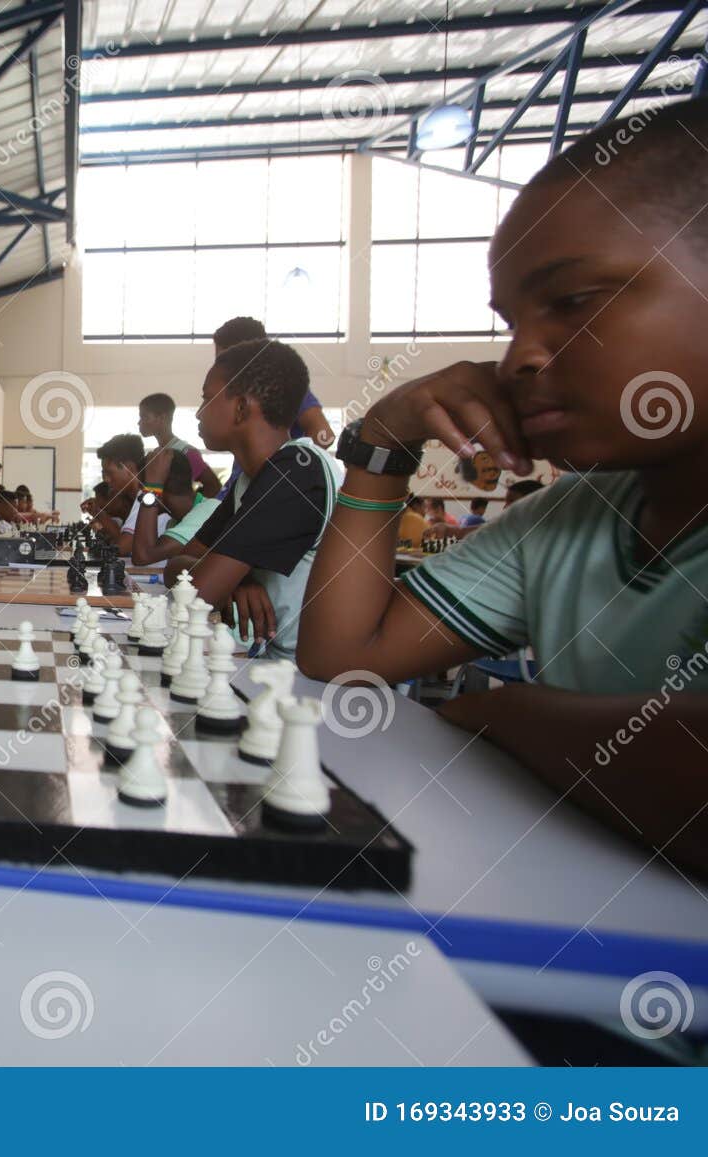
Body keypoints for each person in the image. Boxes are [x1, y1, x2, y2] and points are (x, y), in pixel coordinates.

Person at [297, 99, 708, 876]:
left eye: (572, 302)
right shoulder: (572, 520)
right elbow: (342, 655)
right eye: (512, 320)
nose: (519, 357)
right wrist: (382, 441)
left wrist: (500, 712)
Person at [161, 339, 336, 658]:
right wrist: (239, 581)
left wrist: (222, 579)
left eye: (207, 398)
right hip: (274, 662)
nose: (199, 412)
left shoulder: (296, 472)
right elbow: (177, 565)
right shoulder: (250, 481)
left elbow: (197, 593)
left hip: (314, 680)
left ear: (241, 408)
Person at [214, 317, 334, 449]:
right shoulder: (242, 391)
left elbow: (324, 436)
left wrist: (292, 467)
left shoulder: (283, 384)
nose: (220, 367)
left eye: (224, 360)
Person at [128, 451, 220, 565]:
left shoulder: (208, 511)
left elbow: (143, 557)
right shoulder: (175, 521)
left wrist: (152, 488)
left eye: (144, 491)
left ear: (159, 491)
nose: (140, 499)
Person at [138, 391, 221, 499]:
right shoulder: (157, 453)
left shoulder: (186, 452)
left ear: (162, 418)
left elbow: (213, 485)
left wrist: (193, 510)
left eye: (144, 417)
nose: (139, 422)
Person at [97, 433, 166, 555]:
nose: (106, 480)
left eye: (110, 473)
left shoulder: (146, 498)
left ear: (129, 468)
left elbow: (120, 548)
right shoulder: (136, 498)